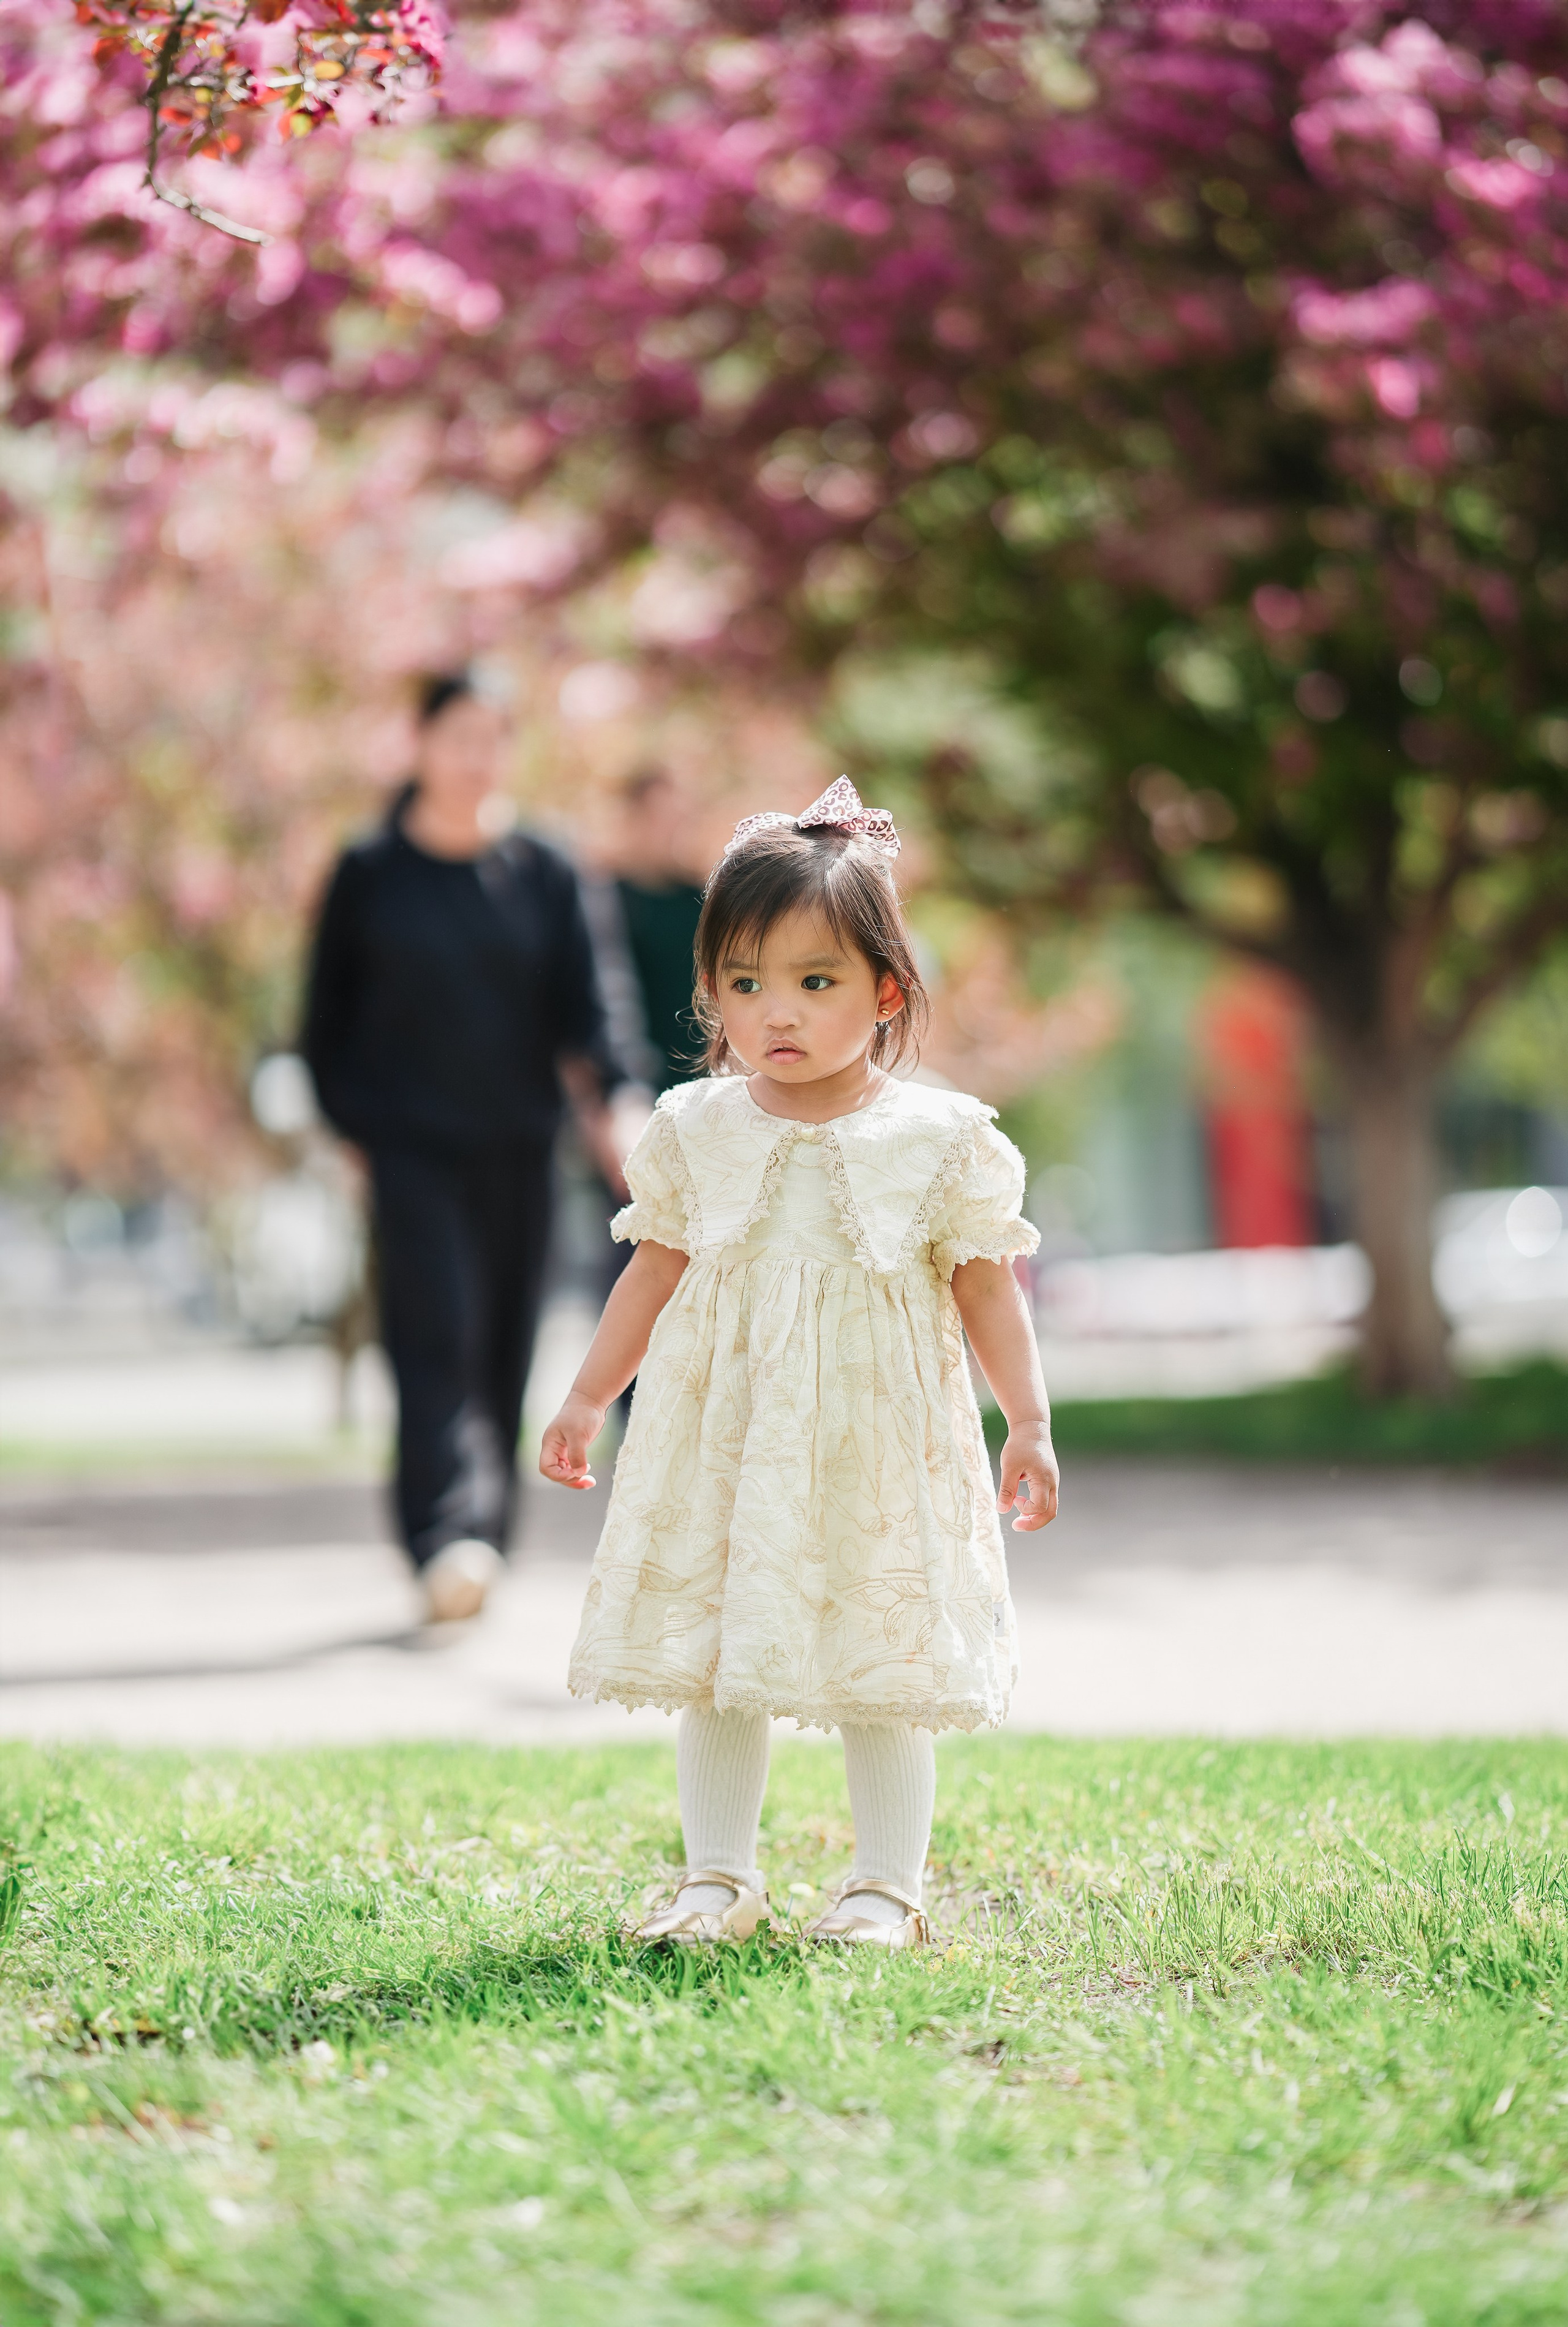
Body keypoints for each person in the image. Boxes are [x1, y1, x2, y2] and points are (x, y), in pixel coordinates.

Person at [538, 776, 1060, 1950]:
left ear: (887, 991)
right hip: (730, 1437)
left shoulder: (937, 1139)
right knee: (723, 1649)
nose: (776, 1011)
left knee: (884, 1650)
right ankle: (719, 1879)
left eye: (815, 983)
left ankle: (886, 1886)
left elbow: (987, 1286)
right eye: (744, 983)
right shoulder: (696, 1127)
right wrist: (584, 1396)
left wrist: (1026, 1422)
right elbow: (653, 1271)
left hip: (876, 1445)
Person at [303, 671, 624, 1626]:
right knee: (434, 1332)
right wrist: (354, 1130)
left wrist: (619, 1109)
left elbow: (594, 1013)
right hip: (408, 1150)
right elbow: (324, 1025)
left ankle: (484, 1538)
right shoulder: (369, 873)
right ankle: (443, 1538)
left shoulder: (547, 870)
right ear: (421, 743)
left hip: (521, 1147)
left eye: (493, 738)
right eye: (458, 737)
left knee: (507, 1344)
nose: (476, 758)